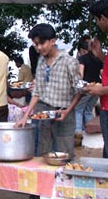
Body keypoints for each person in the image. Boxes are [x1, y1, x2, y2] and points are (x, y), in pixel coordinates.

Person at [16, 23, 82, 159]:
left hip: (64, 113)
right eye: (35, 44)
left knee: (65, 154)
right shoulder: (41, 62)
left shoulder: (69, 61)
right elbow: (37, 92)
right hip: (43, 114)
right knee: (43, 153)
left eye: (42, 43)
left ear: (53, 41)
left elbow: (79, 91)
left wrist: (67, 111)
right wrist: (25, 116)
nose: (39, 47)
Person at [85, 0, 108, 159]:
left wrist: (101, 90)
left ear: (104, 18)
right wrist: (101, 56)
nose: (97, 24)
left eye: (97, 20)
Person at [74, 39, 103, 143]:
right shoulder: (98, 59)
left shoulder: (82, 59)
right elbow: (102, 74)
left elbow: (80, 75)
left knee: (78, 109)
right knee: (88, 110)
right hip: (97, 87)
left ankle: (77, 133)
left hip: (86, 87)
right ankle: (89, 134)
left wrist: (76, 85)